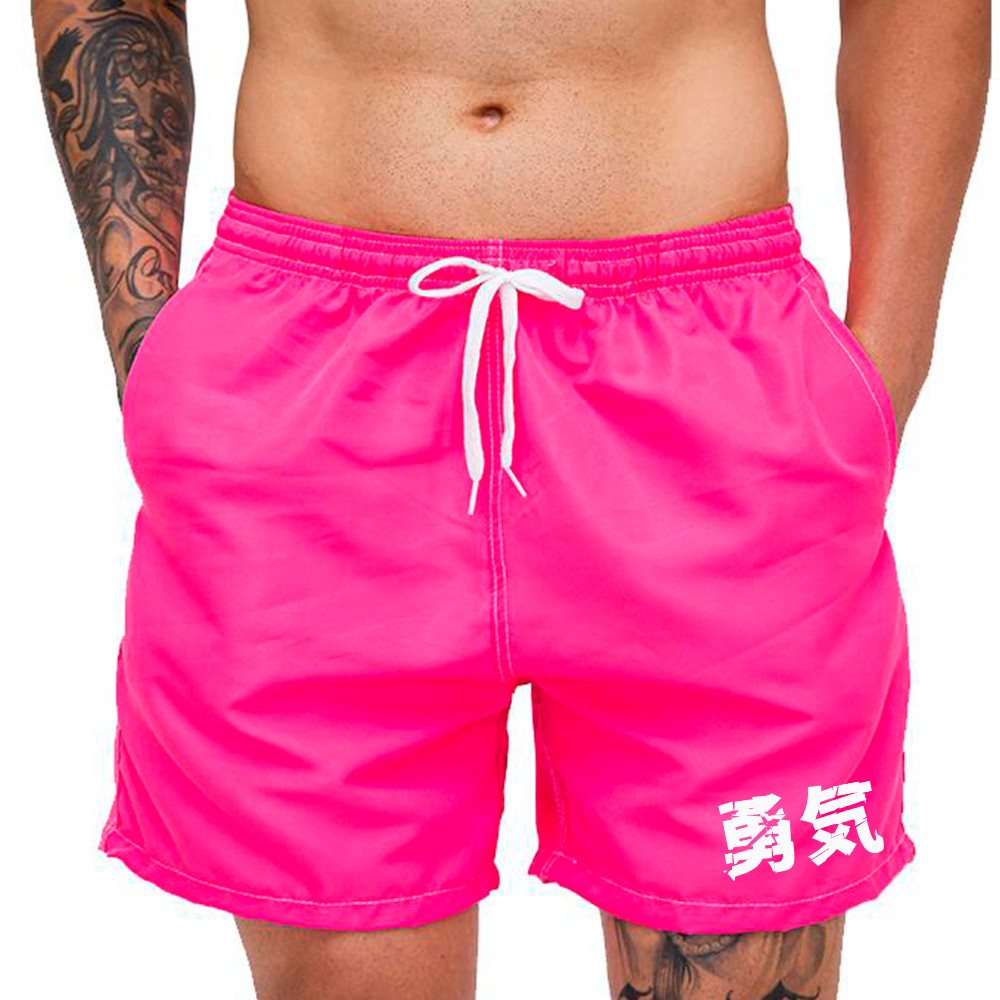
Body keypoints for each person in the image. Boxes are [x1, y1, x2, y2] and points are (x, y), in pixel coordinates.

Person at [31, 2, 989, 998]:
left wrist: (880, 372)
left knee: (739, 961)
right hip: (307, 384)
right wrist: (147, 346)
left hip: (714, 386)